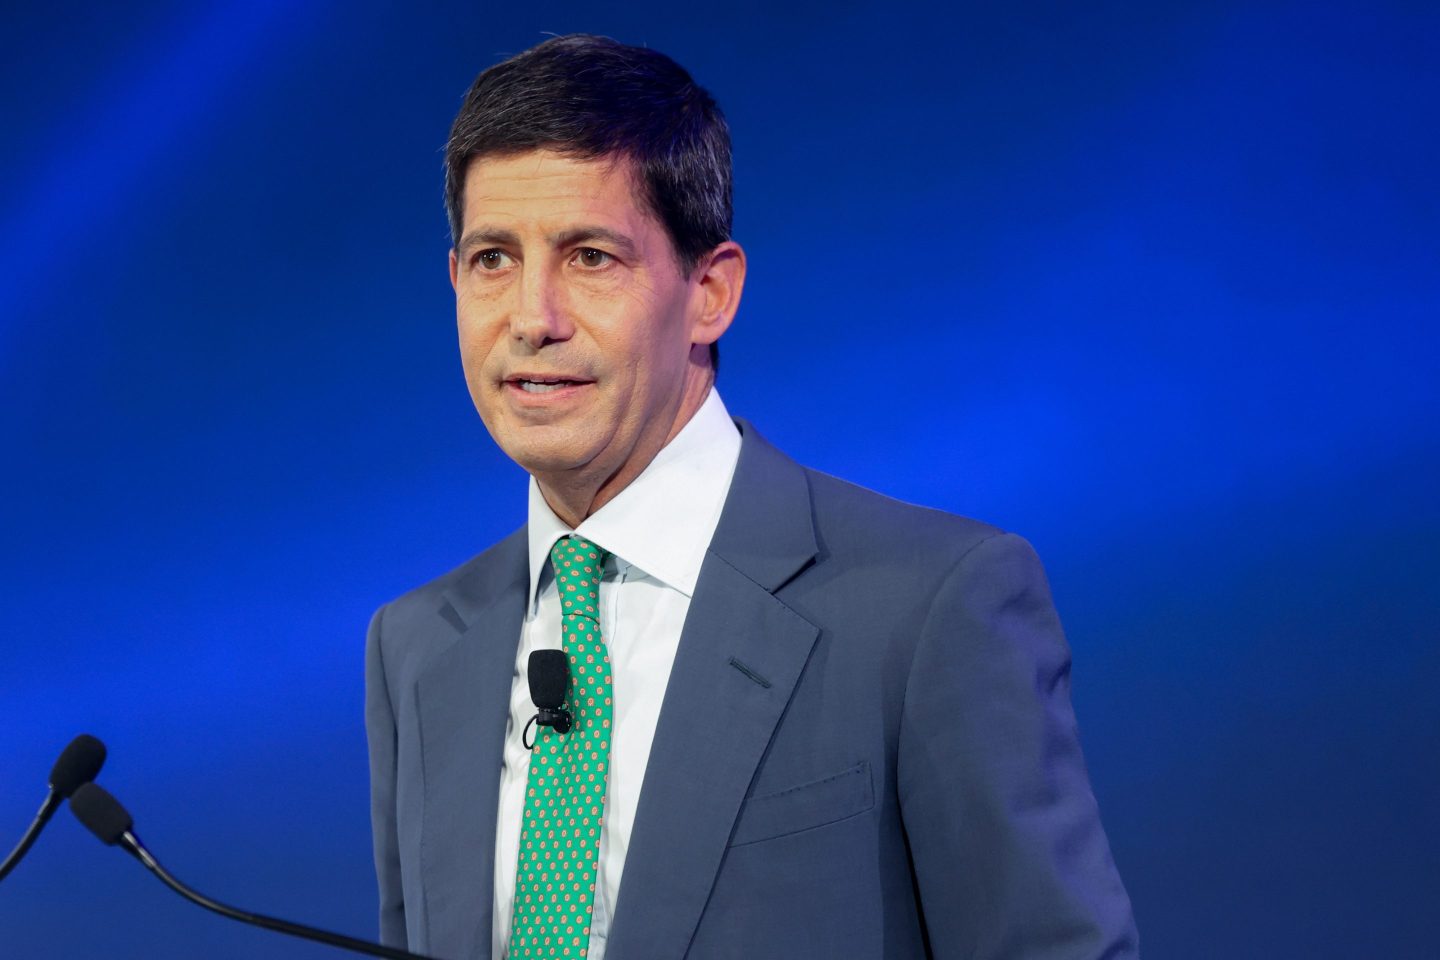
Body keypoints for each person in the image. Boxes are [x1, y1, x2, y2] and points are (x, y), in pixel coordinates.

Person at [365, 34, 1138, 960]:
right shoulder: (415, 648)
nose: (534, 318)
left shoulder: (931, 606)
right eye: (494, 257)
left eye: (590, 257)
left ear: (710, 292)